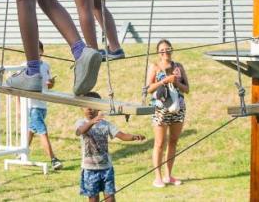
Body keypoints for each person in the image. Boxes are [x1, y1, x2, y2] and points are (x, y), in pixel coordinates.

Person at [75, 92, 145, 201]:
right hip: (90, 169)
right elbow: (80, 131)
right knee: (93, 199)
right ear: (81, 108)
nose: (89, 109)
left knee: (110, 199)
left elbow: (121, 135)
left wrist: (133, 137)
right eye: (86, 105)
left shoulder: (105, 124)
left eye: (93, 106)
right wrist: (92, 122)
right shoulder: (81, 123)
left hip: (106, 168)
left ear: (99, 108)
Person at [146, 39, 189, 188]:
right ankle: (157, 177)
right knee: (159, 143)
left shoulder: (179, 66)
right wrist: (165, 81)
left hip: (178, 107)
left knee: (173, 141)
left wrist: (176, 82)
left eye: (168, 49)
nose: (165, 52)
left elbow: (187, 88)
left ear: (172, 50)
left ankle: (168, 175)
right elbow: (149, 89)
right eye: (162, 50)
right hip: (160, 108)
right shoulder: (155, 66)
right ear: (158, 52)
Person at [27, 40, 62, 171]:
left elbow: (49, 85)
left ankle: (21, 154)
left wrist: (51, 83)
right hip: (32, 105)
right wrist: (19, 107)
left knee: (31, 130)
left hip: (43, 104)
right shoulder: (25, 65)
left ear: (42, 51)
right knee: (43, 132)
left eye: (37, 49)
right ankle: (53, 159)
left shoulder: (46, 66)